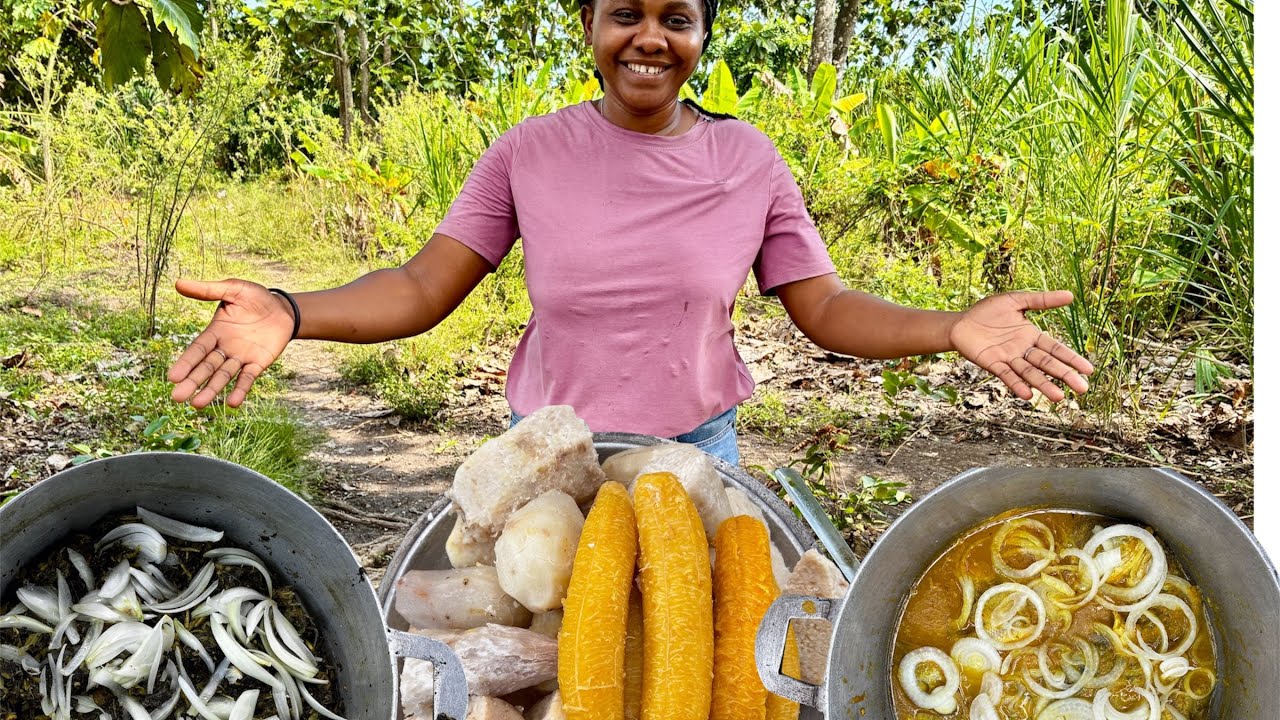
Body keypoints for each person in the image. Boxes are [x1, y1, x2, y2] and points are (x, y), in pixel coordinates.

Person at [167, 0, 1093, 466]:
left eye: (676, 18)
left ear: (701, 36)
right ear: (589, 26)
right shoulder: (528, 152)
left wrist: (950, 325)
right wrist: (292, 309)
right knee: (558, 671)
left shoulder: (750, 161)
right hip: (550, 450)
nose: (649, 37)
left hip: (700, 450)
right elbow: (420, 288)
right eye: (626, 14)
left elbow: (827, 307)